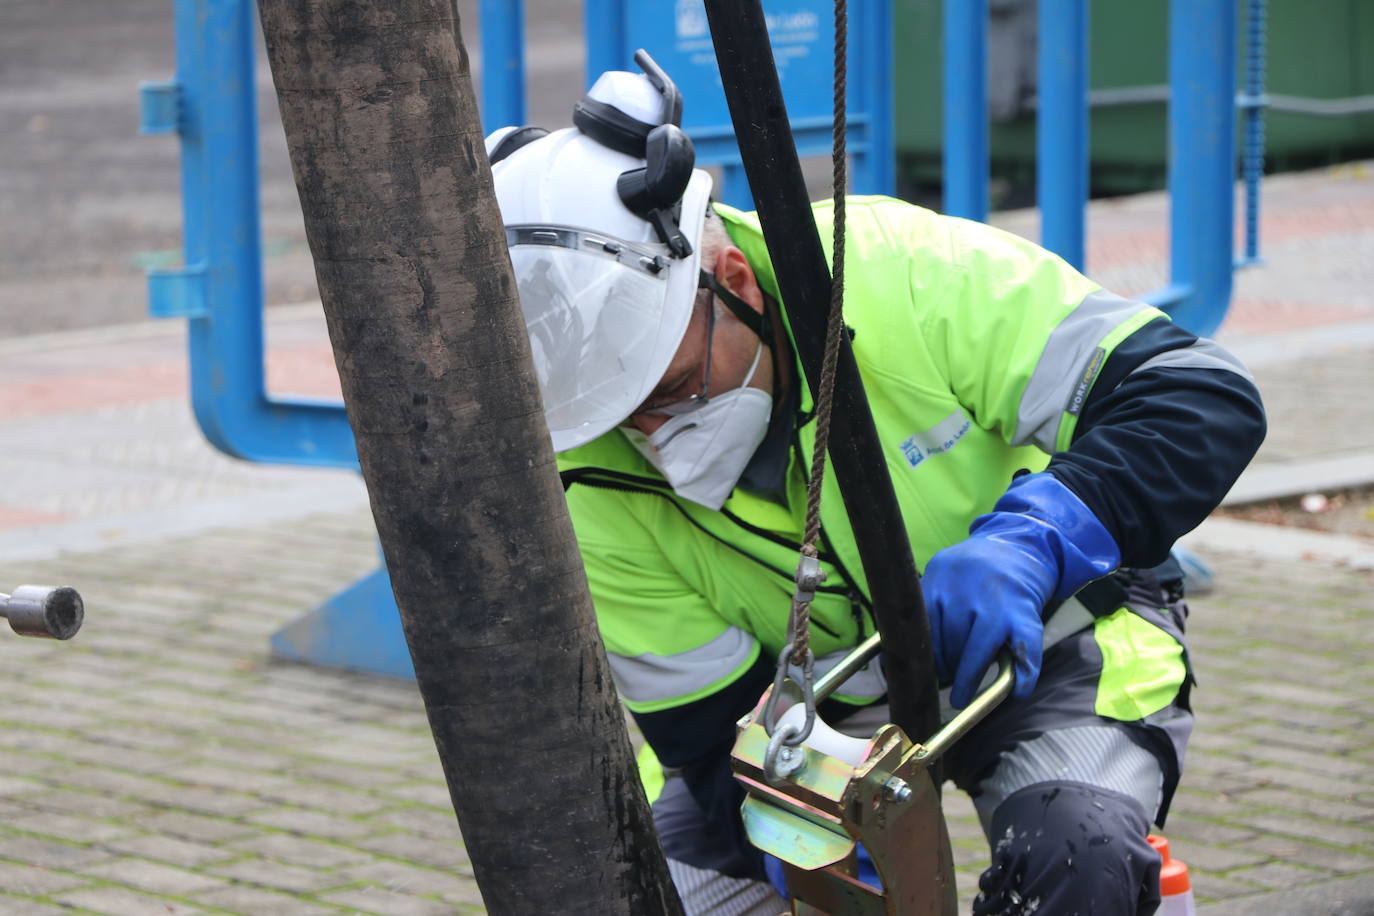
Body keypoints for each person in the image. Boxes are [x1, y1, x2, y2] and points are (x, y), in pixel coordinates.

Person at [486, 58, 1265, 916]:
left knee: (1076, 858)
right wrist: (806, 854)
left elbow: (1195, 397)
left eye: (666, 392)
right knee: (642, 897)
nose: (653, 438)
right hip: (815, 720)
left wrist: (1036, 536)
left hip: (1054, 647)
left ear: (731, 283)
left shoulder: (892, 269)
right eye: (616, 414)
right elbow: (710, 738)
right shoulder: (587, 472)